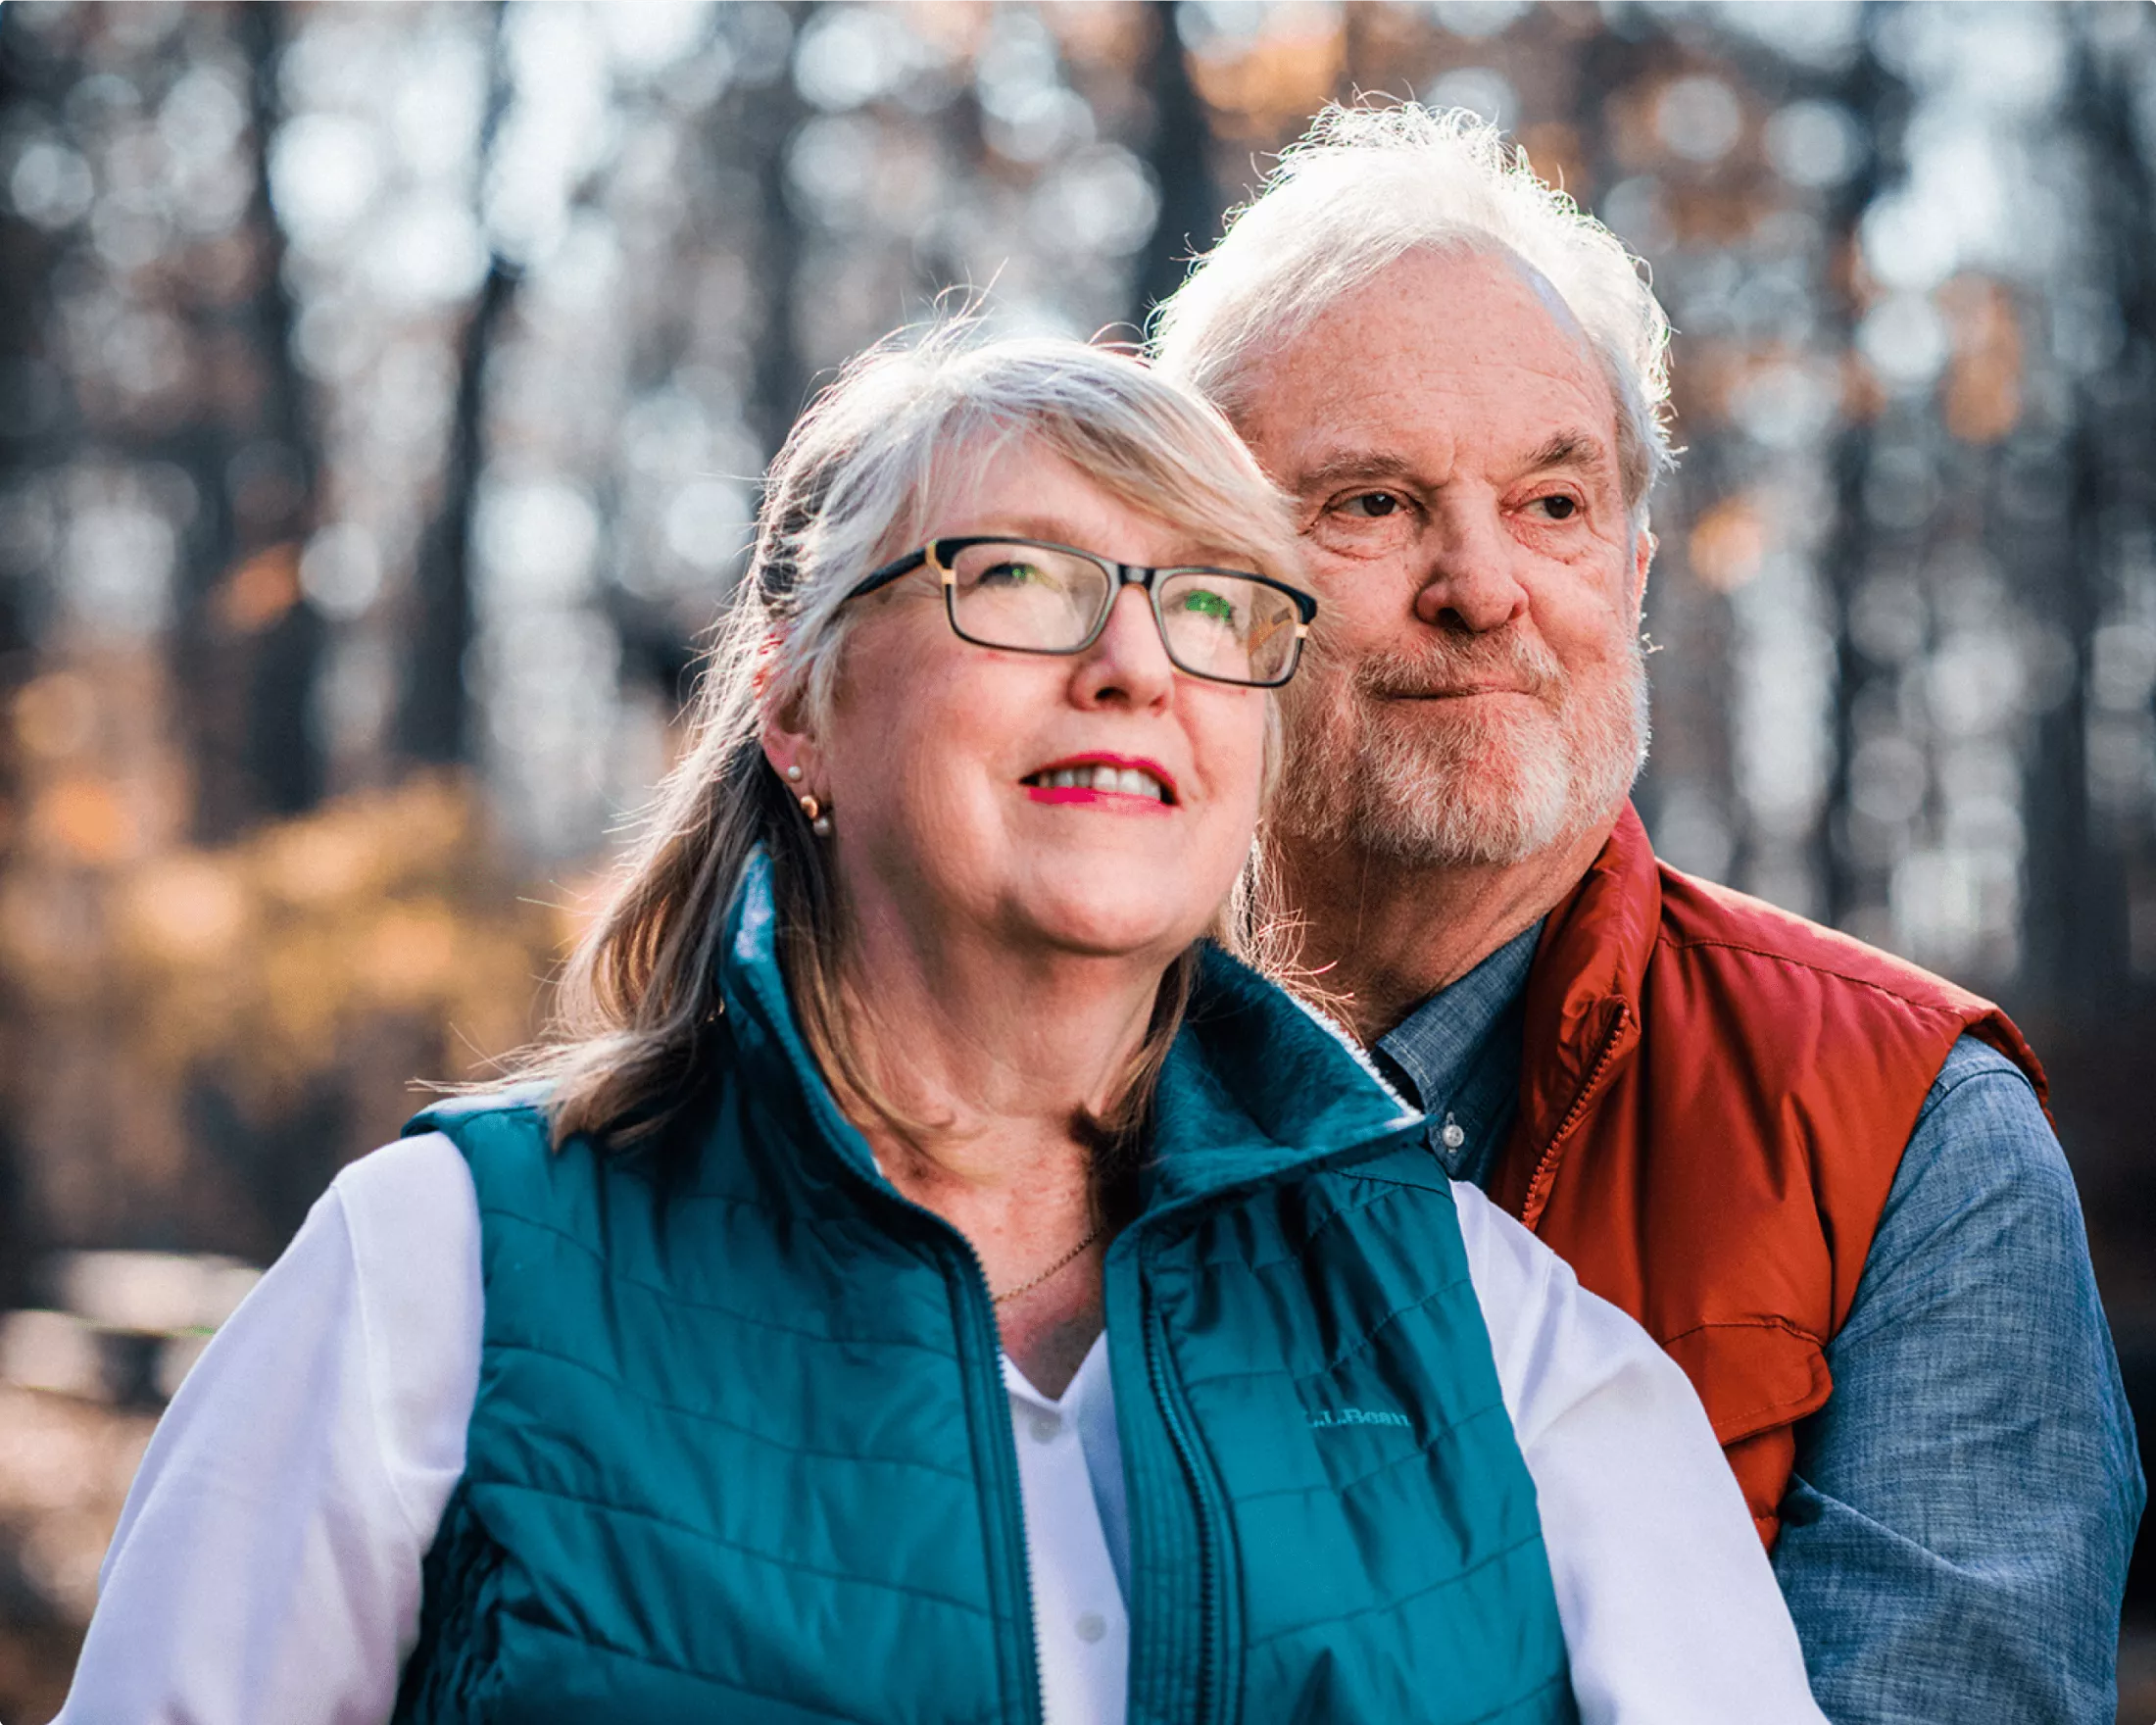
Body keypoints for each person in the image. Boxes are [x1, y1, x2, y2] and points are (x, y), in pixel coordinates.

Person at [59, 327, 1827, 1723]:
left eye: (1210, 604)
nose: (1135, 661)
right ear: (801, 708)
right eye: (1025, 580)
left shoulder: (1492, 1341)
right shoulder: (437, 1282)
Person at [1151, 102, 2146, 1722]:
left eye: (1555, 505)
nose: (1487, 587)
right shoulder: (1026, 1084)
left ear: (1632, 569)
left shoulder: (1914, 1140)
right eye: (1375, 505)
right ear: (1203, 591)